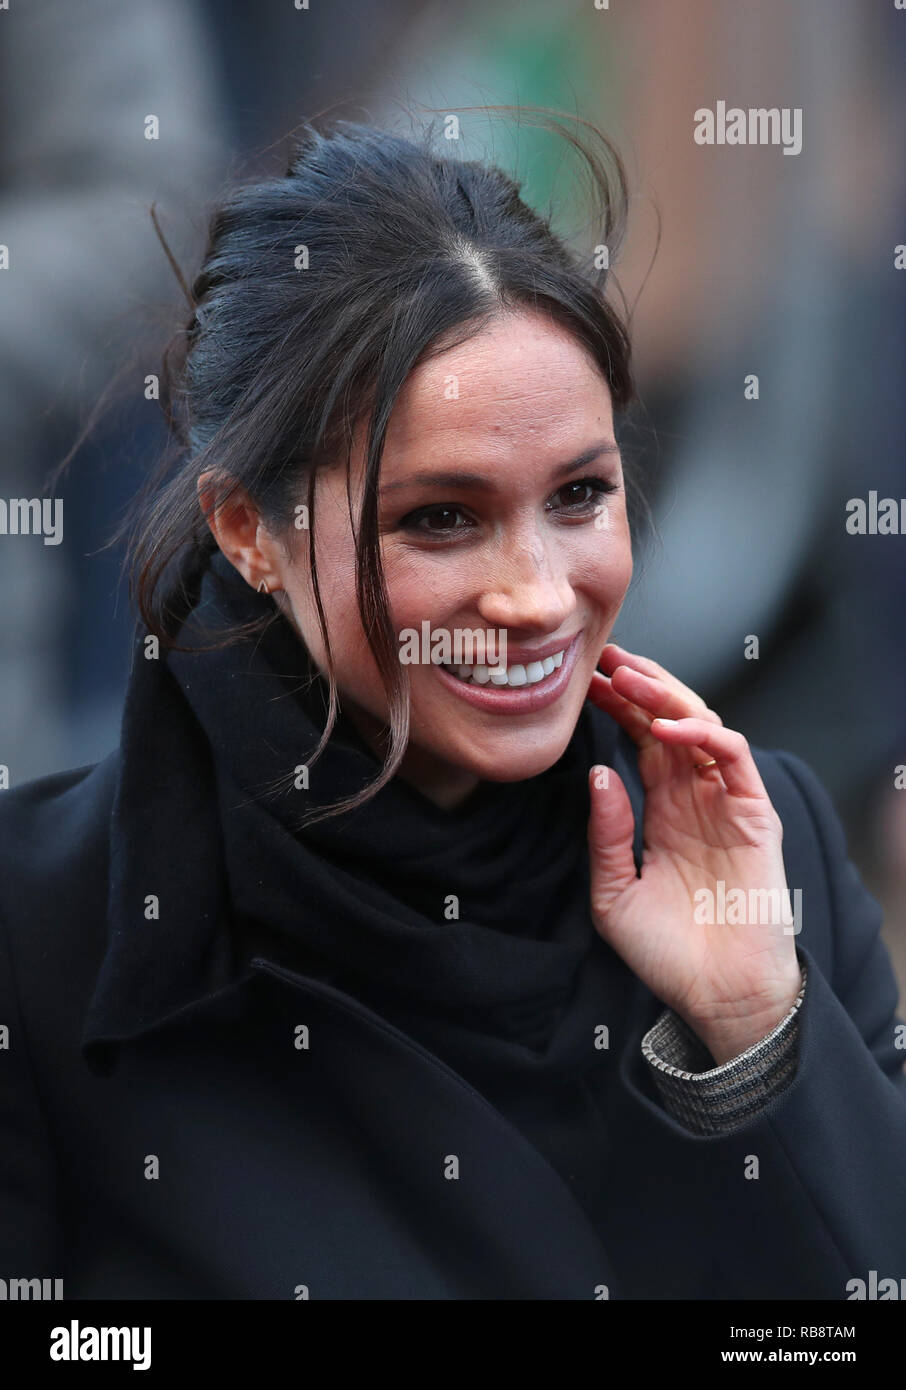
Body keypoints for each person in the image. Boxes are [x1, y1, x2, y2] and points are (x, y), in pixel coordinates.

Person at [1, 114, 904, 1301]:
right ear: (247, 530)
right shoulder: (42, 938)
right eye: (441, 517)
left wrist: (757, 1034)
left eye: (581, 494)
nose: (536, 595)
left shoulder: (755, 855)